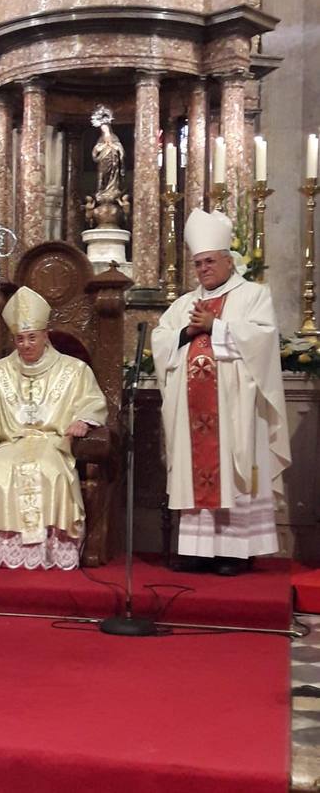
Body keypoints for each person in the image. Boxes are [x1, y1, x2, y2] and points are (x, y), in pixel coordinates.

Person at [151, 208, 291, 576]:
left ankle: (236, 551)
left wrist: (217, 326)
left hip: (236, 409)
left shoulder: (253, 295)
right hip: (192, 410)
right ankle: (199, 550)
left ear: (229, 260)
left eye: (210, 261)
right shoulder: (183, 304)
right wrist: (187, 332)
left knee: (235, 469)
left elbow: (263, 340)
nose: (203, 269)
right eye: (198, 263)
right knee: (195, 471)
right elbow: (161, 339)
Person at [0, 286, 107, 570]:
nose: (26, 344)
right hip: (10, 442)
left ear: (45, 335)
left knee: (50, 471)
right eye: (20, 338)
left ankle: (47, 551)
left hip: (53, 442)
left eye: (32, 337)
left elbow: (93, 401)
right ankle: (0, 549)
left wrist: (83, 420)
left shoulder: (74, 369)